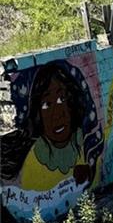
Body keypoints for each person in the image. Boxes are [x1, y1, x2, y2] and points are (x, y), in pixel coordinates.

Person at [16, 64, 93, 192]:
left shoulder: (85, 140)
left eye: (62, 99)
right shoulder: (33, 160)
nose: (57, 115)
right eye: (46, 105)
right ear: (37, 114)